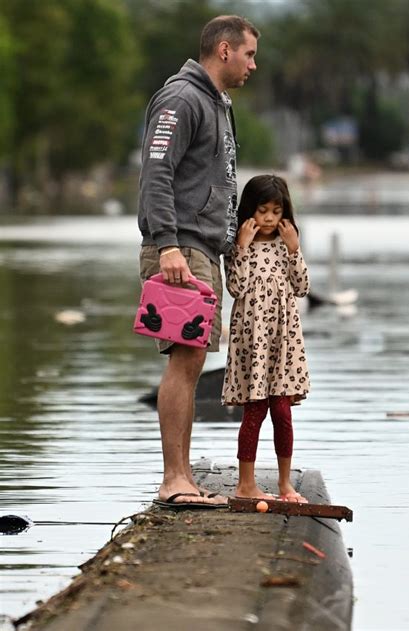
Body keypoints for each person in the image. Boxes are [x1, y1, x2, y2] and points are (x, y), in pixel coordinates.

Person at [138, 16, 260, 509]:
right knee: (184, 363)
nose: (254, 64)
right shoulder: (182, 99)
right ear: (225, 50)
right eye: (250, 54)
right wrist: (166, 244)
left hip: (201, 249)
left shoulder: (217, 103)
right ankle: (174, 480)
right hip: (179, 250)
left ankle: (183, 477)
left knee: (192, 362)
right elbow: (156, 173)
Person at [222, 175, 311, 502]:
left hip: (284, 342)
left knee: (283, 412)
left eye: (276, 211)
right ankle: (246, 485)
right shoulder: (238, 245)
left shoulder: (287, 245)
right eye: (263, 211)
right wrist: (243, 247)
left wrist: (294, 250)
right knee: (254, 410)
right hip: (252, 341)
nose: (270, 218)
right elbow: (236, 288)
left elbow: (302, 287)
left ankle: (286, 484)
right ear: (250, 211)